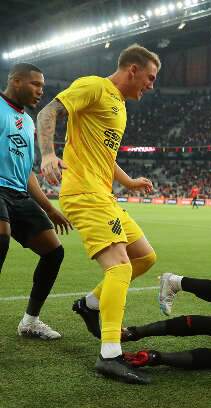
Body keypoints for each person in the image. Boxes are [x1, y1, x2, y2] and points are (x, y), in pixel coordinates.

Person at [37, 44, 160, 384]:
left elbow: (105, 156)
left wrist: (128, 181)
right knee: (119, 267)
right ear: (132, 70)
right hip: (83, 194)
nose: (151, 85)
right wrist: (48, 154)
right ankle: (110, 354)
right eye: (150, 78)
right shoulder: (94, 86)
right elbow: (47, 112)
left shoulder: (119, 107)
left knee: (145, 258)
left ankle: (90, 304)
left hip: (103, 194)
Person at [0, 63, 72, 340]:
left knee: (54, 252)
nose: (41, 91)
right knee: (1, 238)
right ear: (16, 81)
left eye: (42, 86)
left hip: (19, 195)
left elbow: (27, 171)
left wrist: (50, 208)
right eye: (36, 84)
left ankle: (30, 322)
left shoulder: (28, 122)